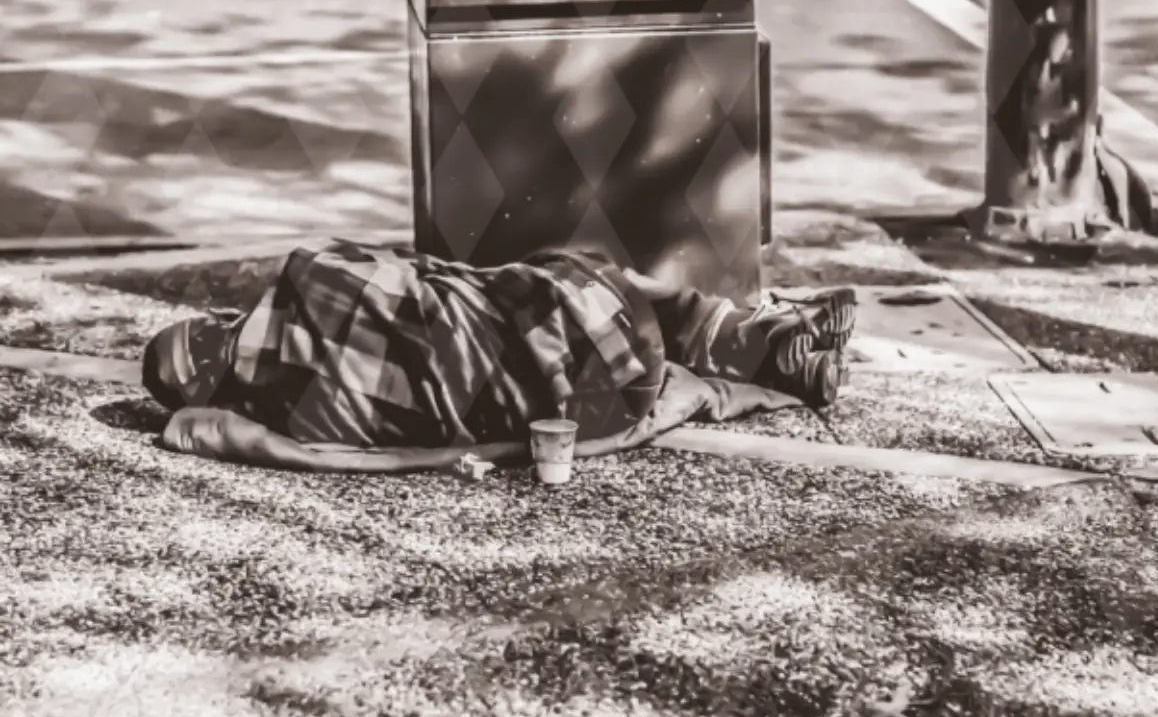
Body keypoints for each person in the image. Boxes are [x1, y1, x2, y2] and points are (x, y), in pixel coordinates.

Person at [142, 240, 857, 470]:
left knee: (531, 329)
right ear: (217, 322)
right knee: (551, 272)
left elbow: (212, 434)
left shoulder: (296, 418)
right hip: (603, 321)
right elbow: (435, 274)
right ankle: (745, 335)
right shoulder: (310, 271)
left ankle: (754, 353)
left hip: (597, 402)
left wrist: (195, 424)